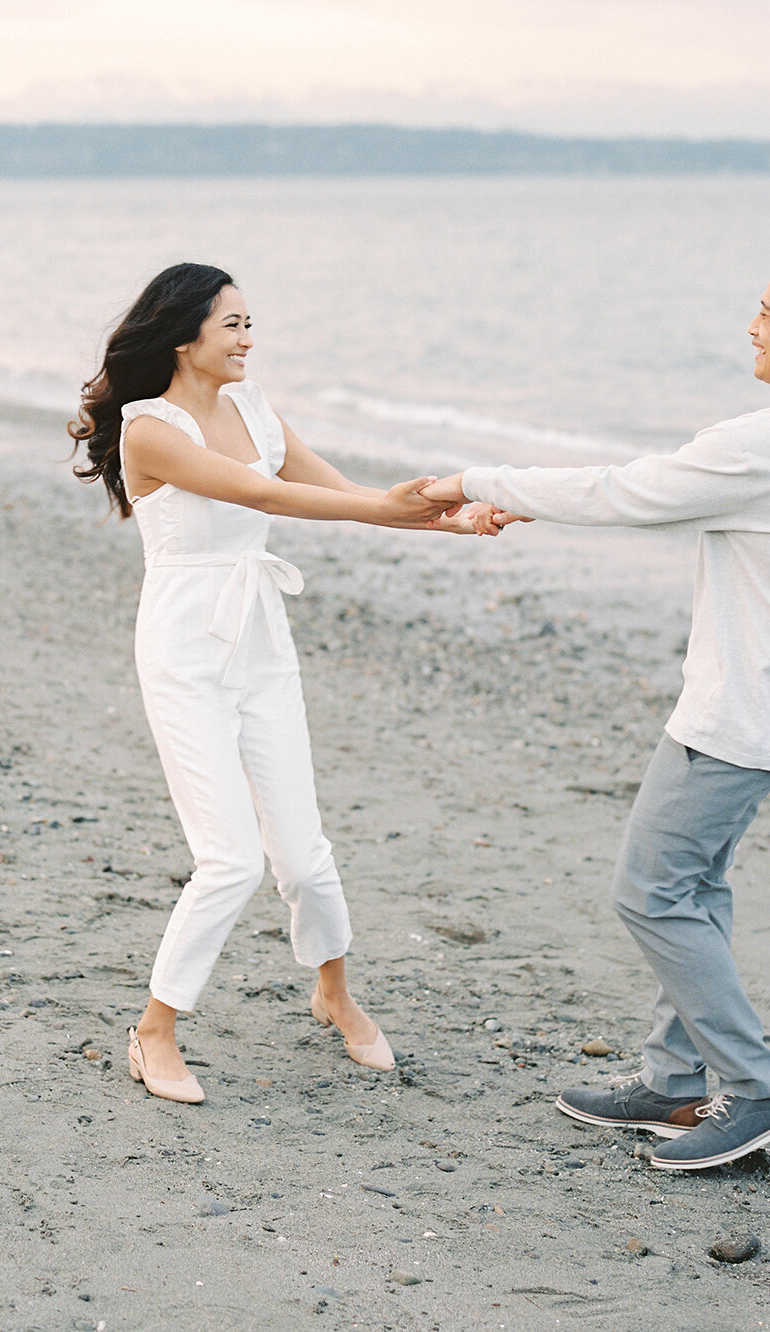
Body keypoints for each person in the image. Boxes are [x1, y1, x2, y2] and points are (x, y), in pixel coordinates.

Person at [423, 244, 770, 1170]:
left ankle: (758, 1091)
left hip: (738, 714)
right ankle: (674, 1082)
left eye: (766, 311)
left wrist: (482, 483)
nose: (751, 326)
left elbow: (622, 492)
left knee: (648, 890)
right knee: (694, 887)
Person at [69, 262, 493, 1103]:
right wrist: (386, 509)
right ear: (184, 333)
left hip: (260, 639)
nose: (248, 339)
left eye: (249, 323)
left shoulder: (255, 408)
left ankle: (333, 993)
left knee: (301, 853)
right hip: (185, 648)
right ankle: (154, 1031)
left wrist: (453, 517)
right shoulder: (150, 430)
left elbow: (346, 491)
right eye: (232, 325)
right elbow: (268, 492)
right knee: (228, 859)